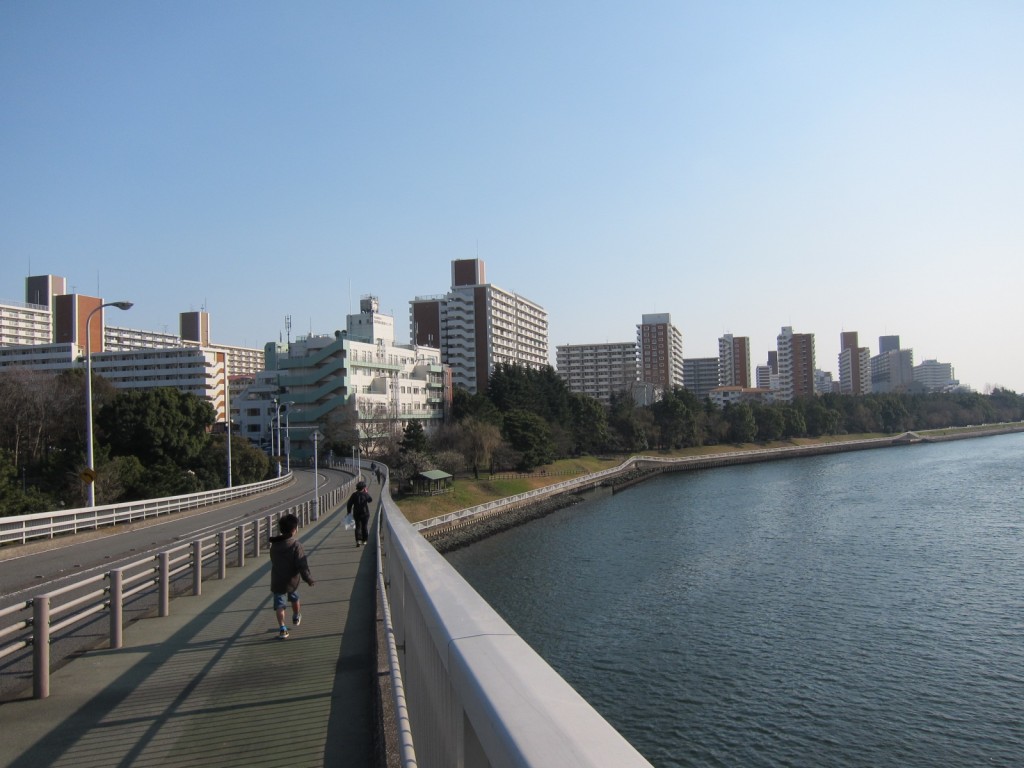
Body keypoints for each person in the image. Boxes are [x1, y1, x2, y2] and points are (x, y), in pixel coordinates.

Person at [269, 513, 314, 639]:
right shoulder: (295, 545)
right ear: (294, 529)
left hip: (277, 580)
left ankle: (282, 628)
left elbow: (274, 560)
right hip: (292, 580)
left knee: (279, 605)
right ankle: (296, 615)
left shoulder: (274, 546)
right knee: (294, 598)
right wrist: (308, 578)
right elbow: (301, 564)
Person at [346, 480, 373, 547]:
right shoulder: (365, 494)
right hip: (365, 513)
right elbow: (370, 500)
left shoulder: (354, 495)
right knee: (364, 527)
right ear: (364, 488)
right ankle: (365, 540)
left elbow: (349, 504)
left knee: (358, 527)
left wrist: (349, 512)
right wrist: (367, 493)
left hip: (357, 513)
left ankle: (358, 541)